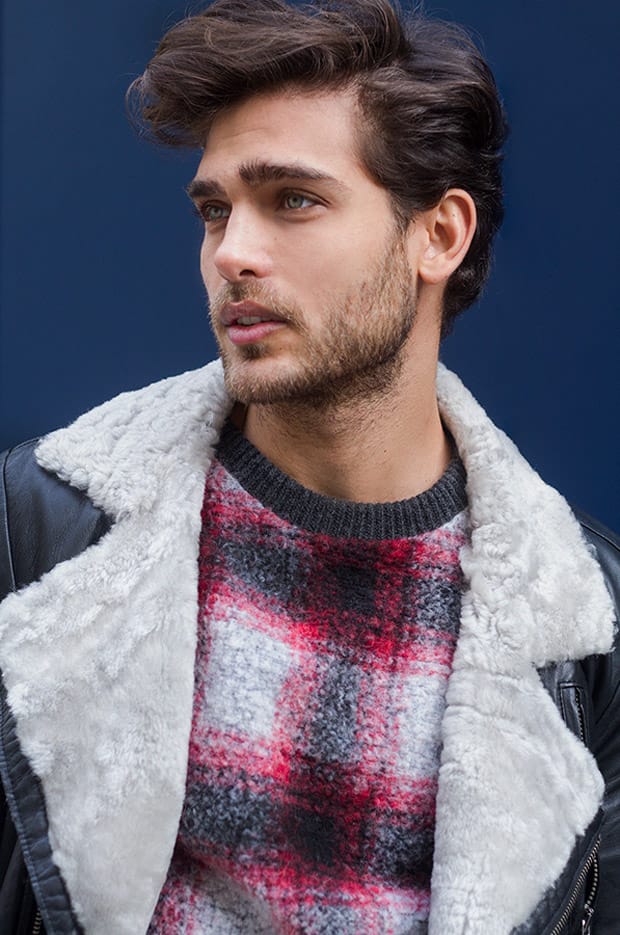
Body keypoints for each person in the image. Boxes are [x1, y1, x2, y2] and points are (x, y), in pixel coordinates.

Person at [0, 0, 618, 932]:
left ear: (438, 235)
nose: (232, 254)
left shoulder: (586, 627)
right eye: (215, 210)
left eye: (294, 199)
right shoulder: (39, 531)